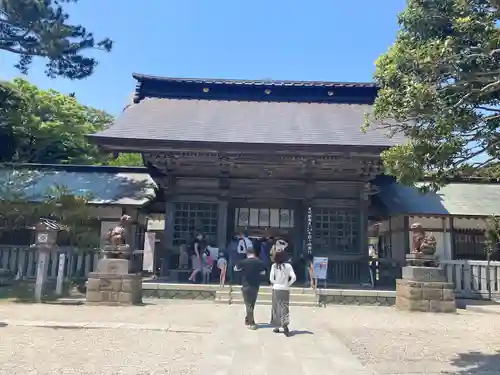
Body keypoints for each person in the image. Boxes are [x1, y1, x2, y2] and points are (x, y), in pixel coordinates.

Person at [234, 248, 266, 330]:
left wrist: (242, 269)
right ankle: (248, 319)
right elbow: (263, 272)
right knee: (252, 303)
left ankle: (252, 323)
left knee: (248, 304)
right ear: (254, 253)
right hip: (255, 285)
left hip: (246, 285)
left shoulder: (243, 262)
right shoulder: (259, 262)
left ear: (247, 253)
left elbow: (235, 269)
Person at [270, 250, 297, 337]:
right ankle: (285, 326)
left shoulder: (274, 266)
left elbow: (271, 278)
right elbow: (294, 278)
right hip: (285, 288)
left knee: (276, 307)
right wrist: (287, 284)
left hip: (276, 288)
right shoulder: (288, 266)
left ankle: (277, 326)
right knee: (284, 307)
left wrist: (275, 283)